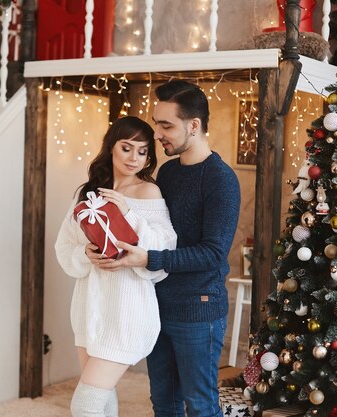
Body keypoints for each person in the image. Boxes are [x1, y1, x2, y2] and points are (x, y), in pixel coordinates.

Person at [90, 80, 241, 417]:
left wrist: (149, 258)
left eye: (166, 125)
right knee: (163, 403)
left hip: (198, 310)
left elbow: (212, 253)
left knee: (200, 406)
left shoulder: (221, 180)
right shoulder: (168, 172)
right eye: (157, 123)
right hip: (156, 305)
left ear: (194, 126)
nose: (157, 134)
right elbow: (151, 230)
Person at [55, 116, 177, 417]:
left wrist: (128, 213)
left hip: (127, 312)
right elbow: (64, 247)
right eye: (127, 148)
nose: (135, 158)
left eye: (143, 151)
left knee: (85, 405)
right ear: (110, 147)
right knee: (102, 400)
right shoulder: (87, 193)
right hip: (90, 311)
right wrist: (86, 253)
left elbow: (164, 252)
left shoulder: (149, 193)